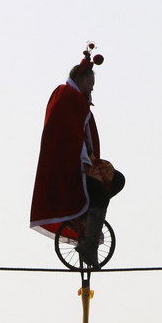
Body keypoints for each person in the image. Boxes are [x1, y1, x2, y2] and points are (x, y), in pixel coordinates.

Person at [30, 44, 125, 266]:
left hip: (82, 162)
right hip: (72, 166)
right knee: (102, 190)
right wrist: (81, 161)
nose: (91, 88)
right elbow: (65, 136)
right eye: (89, 83)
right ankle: (89, 241)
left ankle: (89, 225)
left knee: (116, 181)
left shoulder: (76, 101)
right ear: (80, 79)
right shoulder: (67, 97)